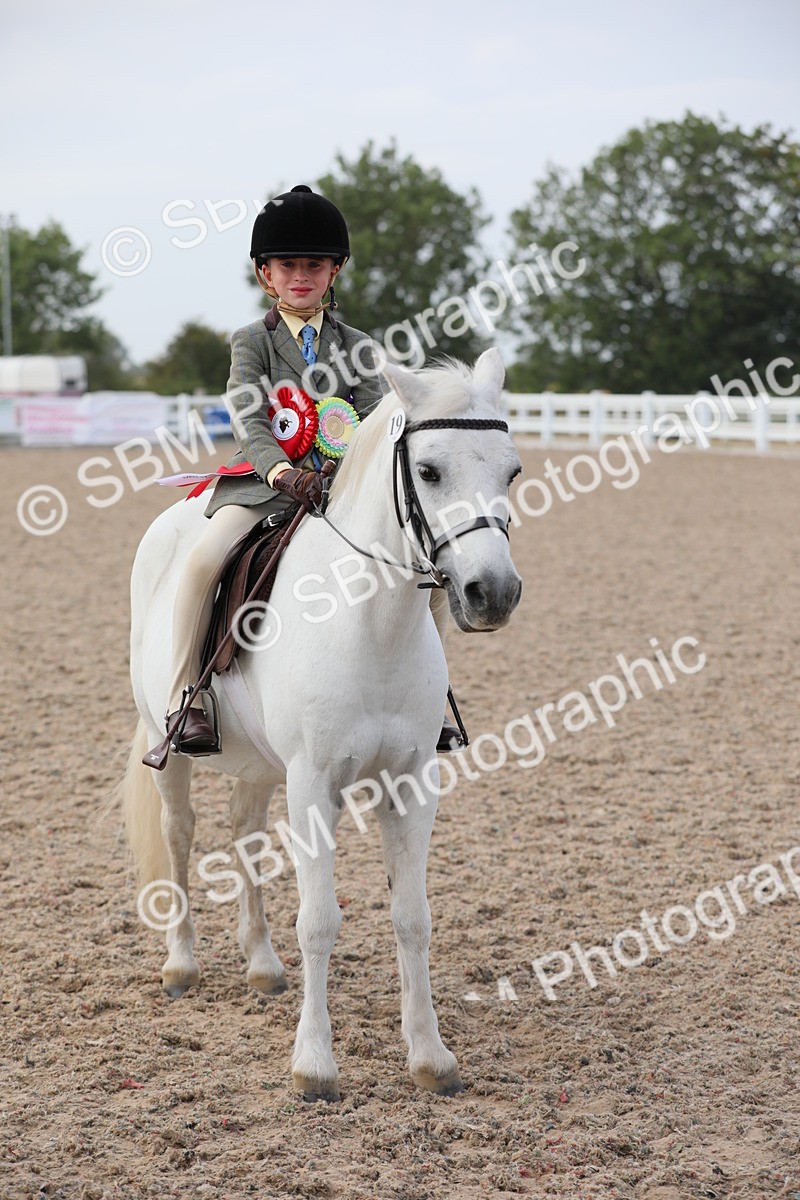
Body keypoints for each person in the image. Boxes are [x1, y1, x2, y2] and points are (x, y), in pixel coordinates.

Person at [165, 184, 459, 755]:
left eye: (315, 264)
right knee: (202, 562)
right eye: (288, 265)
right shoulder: (251, 342)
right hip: (264, 484)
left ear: (334, 272)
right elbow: (251, 418)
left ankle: (435, 694)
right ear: (264, 275)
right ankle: (187, 698)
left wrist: (343, 474)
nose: (301, 275)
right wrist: (282, 474)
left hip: (339, 491)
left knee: (431, 566)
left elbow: (375, 423)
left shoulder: (358, 344)